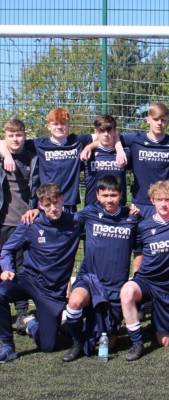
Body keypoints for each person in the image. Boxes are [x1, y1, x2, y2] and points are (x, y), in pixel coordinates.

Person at [0, 184, 81, 362]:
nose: (53, 208)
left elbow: (101, 214)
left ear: (63, 200)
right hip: (29, 280)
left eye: (56, 203)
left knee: (48, 346)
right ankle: (7, 346)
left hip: (52, 292)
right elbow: (7, 249)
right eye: (47, 205)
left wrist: (129, 208)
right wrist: (7, 269)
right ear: (40, 205)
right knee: (1, 293)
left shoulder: (75, 222)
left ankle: (31, 323)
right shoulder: (30, 223)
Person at [62, 175, 138, 361]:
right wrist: (34, 213)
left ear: (121, 195)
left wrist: (136, 274)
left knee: (108, 343)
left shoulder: (132, 217)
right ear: (97, 195)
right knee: (74, 302)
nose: (109, 199)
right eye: (104, 195)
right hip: (90, 277)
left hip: (116, 285)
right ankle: (77, 342)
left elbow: (140, 248)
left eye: (113, 195)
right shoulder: (89, 212)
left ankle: (108, 329)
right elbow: (62, 220)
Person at [0, 108, 115, 213]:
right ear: (48, 126)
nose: (59, 127)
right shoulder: (39, 144)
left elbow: (108, 135)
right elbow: (4, 142)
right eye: (55, 124)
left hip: (69, 202)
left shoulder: (77, 141)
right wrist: (7, 156)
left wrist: (89, 147)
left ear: (68, 125)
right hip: (47, 202)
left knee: (70, 235)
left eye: (63, 123)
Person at [120, 180, 169, 361]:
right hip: (147, 280)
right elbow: (139, 252)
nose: (164, 204)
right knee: (127, 292)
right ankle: (136, 342)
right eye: (159, 200)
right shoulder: (144, 226)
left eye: (167, 199)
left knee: (164, 341)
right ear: (152, 200)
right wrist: (135, 274)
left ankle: (157, 321)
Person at [0, 119, 39, 333]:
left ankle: (22, 314)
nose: (16, 139)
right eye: (11, 135)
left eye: (19, 135)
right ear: (5, 136)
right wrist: (6, 155)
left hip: (25, 221)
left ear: (25, 135)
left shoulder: (31, 153)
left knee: (22, 266)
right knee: (4, 266)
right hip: (3, 219)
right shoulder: (2, 152)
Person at [83, 115, 130, 206]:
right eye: (102, 131)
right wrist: (89, 147)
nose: (106, 134)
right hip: (93, 208)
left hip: (118, 208)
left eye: (109, 130)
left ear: (115, 132)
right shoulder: (88, 153)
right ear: (96, 132)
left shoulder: (125, 153)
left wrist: (119, 149)